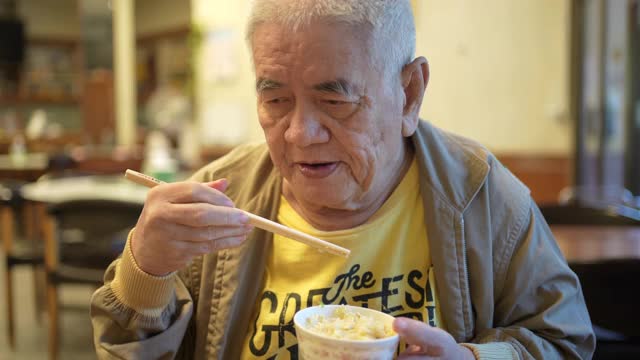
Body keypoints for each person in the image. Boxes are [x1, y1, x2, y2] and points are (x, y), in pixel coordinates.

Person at [91, 1, 595, 359]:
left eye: (335, 101)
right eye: (275, 99)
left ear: (410, 93)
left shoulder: (481, 195)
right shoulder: (216, 202)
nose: (300, 133)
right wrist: (147, 271)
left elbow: (564, 341)